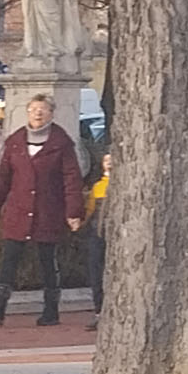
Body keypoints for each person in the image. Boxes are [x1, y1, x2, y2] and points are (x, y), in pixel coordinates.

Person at [0, 92, 85, 327]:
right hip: (19, 210)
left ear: (51, 114)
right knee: (9, 259)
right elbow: (3, 178)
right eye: (34, 109)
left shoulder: (61, 143)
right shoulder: (15, 141)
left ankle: (51, 310)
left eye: (43, 109)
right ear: (27, 112)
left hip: (48, 210)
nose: (38, 113)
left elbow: (71, 179)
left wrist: (74, 212)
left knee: (48, 260)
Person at [84, 140, 114, 330]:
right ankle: (99, 310)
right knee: (96, 270)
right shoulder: (98, 187)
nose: (109, 163)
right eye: (106, 160)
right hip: (97, 232)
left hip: (114, 233)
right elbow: (90, 210)